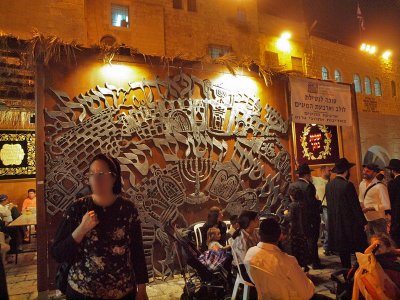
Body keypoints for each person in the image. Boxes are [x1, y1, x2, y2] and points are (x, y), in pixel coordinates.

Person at [51, 153, 148, 299]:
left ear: (114, 178)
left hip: (123, 292)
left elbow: (137, 251)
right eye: (91, 174)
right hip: (82, 292)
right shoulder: (77, 208)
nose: (95, 179)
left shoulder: (128, 209)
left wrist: (142, 289)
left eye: (101, 174)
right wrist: (81, 229)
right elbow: (57, 253)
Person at [244, 218, 315, 300]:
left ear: (259, 233)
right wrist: (307, 280)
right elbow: (307, 294)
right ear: (279, 236)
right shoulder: (288, 261)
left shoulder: (250, 254)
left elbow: (257, 280)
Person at [325, 158, 368, 268]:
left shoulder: (329, 185)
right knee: (361, 249)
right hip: (350, 225)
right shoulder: (347, 185)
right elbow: (355, 207)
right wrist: (364, 222)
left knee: (343, 253)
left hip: (335, 224)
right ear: (347, 171)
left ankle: (346, 275)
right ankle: (362, 273)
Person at [287, 164, 323, 269]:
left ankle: (306, 260)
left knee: (302, 240)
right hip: (310, 217)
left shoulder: (292, 185)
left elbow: (288, 200)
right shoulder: (309, 186)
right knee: (312, 240)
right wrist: (319, 202)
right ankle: (315, 262)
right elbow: (312, 204)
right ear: (307, 175)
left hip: (296, 218)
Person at [359, 163, 391, 237]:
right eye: (364, 170)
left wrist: (370, 208)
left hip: (378, 219)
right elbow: (361, 199)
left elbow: (387, 205)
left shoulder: (380, 186)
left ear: (375, 173)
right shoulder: (362, 184)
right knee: (370, 243)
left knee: (381, 243)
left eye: (368, 171)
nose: (364, 172)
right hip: (366, 219)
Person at [282, 187, 310, 271]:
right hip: (304, 229)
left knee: (295, 249)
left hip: (295, 230)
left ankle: (297, 267)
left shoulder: (292, 205)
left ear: (292, 196)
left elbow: (290, 217)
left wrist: (285, 214)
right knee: (303, 247)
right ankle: (304, 265)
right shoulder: (304, 204)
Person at [312, 166, 332, 256]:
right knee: (321, 228)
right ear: (323, 170)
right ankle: (320, 247)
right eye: (329, 170)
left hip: (329, 207)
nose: (330, 172)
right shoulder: (316, 180)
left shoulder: (331, 182)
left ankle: (327, 247)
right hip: (320, 207)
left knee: (329, 228)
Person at [386, 159, 400, 246]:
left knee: (397, 238)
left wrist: (388, 213)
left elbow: (389, 200)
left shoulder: (393, 183)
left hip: (396, 214)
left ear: (393, 170)